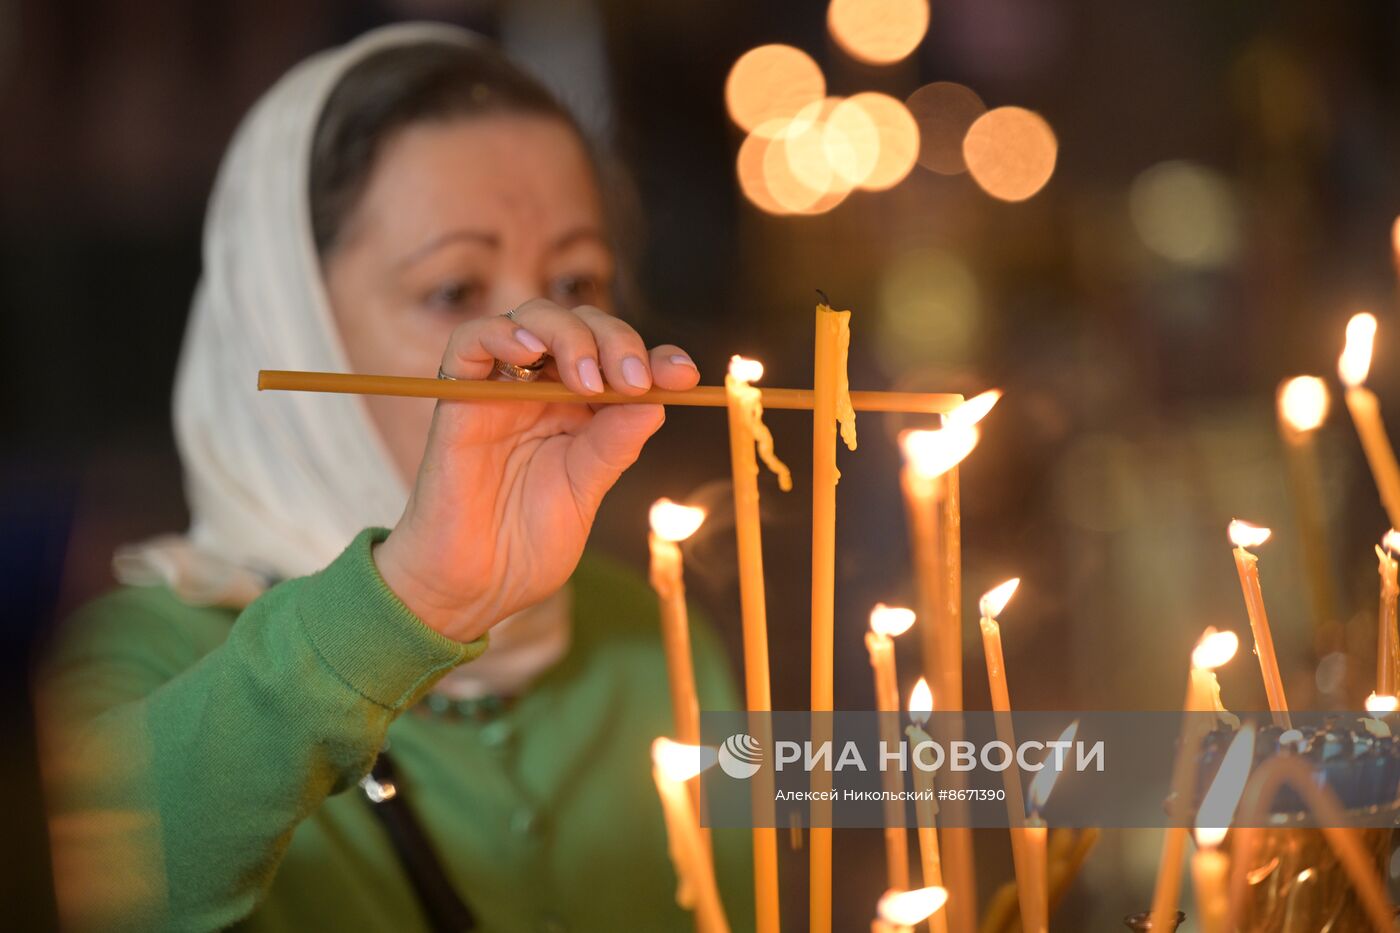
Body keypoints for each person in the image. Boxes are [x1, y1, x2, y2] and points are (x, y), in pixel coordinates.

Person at [38, 21, 751, 932]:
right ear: (290, 323)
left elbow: (846, 846)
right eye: (454, 290)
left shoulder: (649, 627)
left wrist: (983, 761)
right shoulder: (137, 652)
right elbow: (92, 893)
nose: (536, 348)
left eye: (578, 283)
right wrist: (418, 595)